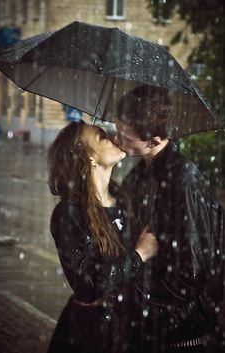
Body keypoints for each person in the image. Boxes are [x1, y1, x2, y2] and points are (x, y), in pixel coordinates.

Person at [114, 85, 225, 353]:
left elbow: (194, 271)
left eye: (125, 137)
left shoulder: (184, 181)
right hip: (150, 325)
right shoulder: (138, 176)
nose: (118, 141)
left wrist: (137, 295)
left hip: (177, 331)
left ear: (154, 141)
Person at [46, 120, 158, 353]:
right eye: (101, 136)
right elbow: (88, 284)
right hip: (91, 333)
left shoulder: (124, 198)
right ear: (89, 157)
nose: (114, 138)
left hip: (129, 326)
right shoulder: (70, 213)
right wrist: (139, 255)